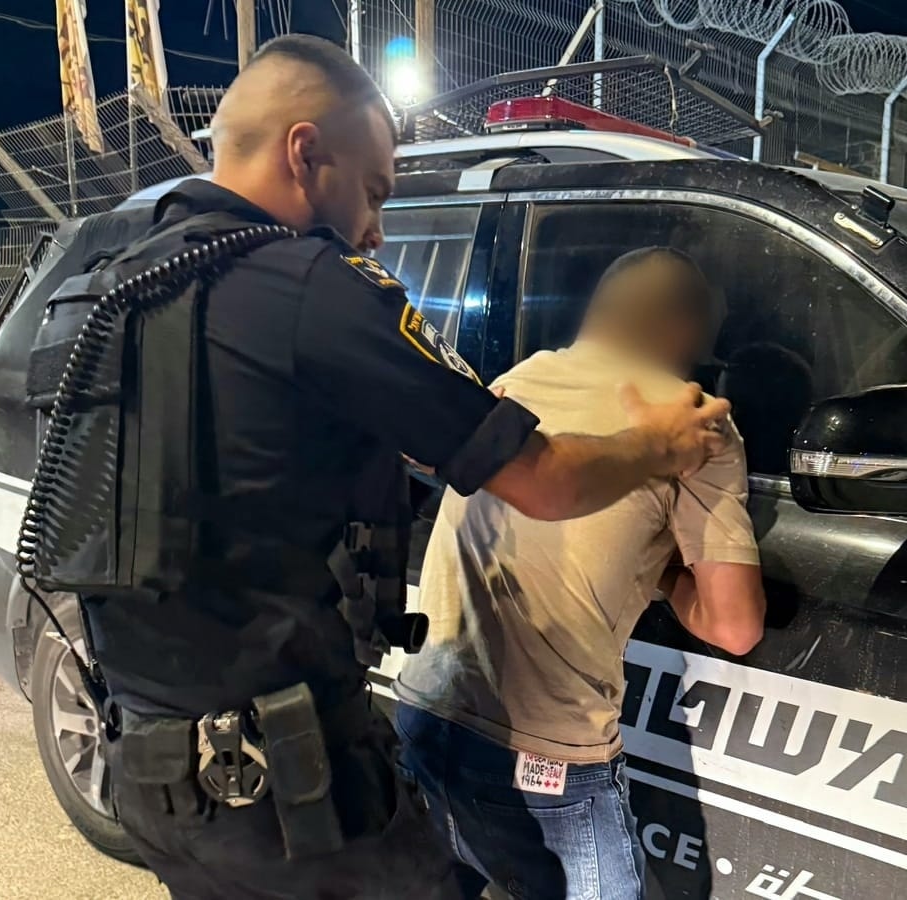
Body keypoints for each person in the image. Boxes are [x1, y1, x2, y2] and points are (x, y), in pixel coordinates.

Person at [74, 36, 731, 900]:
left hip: (153, 776)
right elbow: (542, 479)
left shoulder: (104, 286)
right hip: (292, 791)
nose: (377, 229)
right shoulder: (311, 288)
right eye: (374, 191)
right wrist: (663, 446)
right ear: (306, 152)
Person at [395, 247, 768, 900]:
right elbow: (734, 626)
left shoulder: (515, 381)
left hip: (423, 713)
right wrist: (662, 571)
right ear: (683, 328)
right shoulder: (695, 422)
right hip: (544, 762)